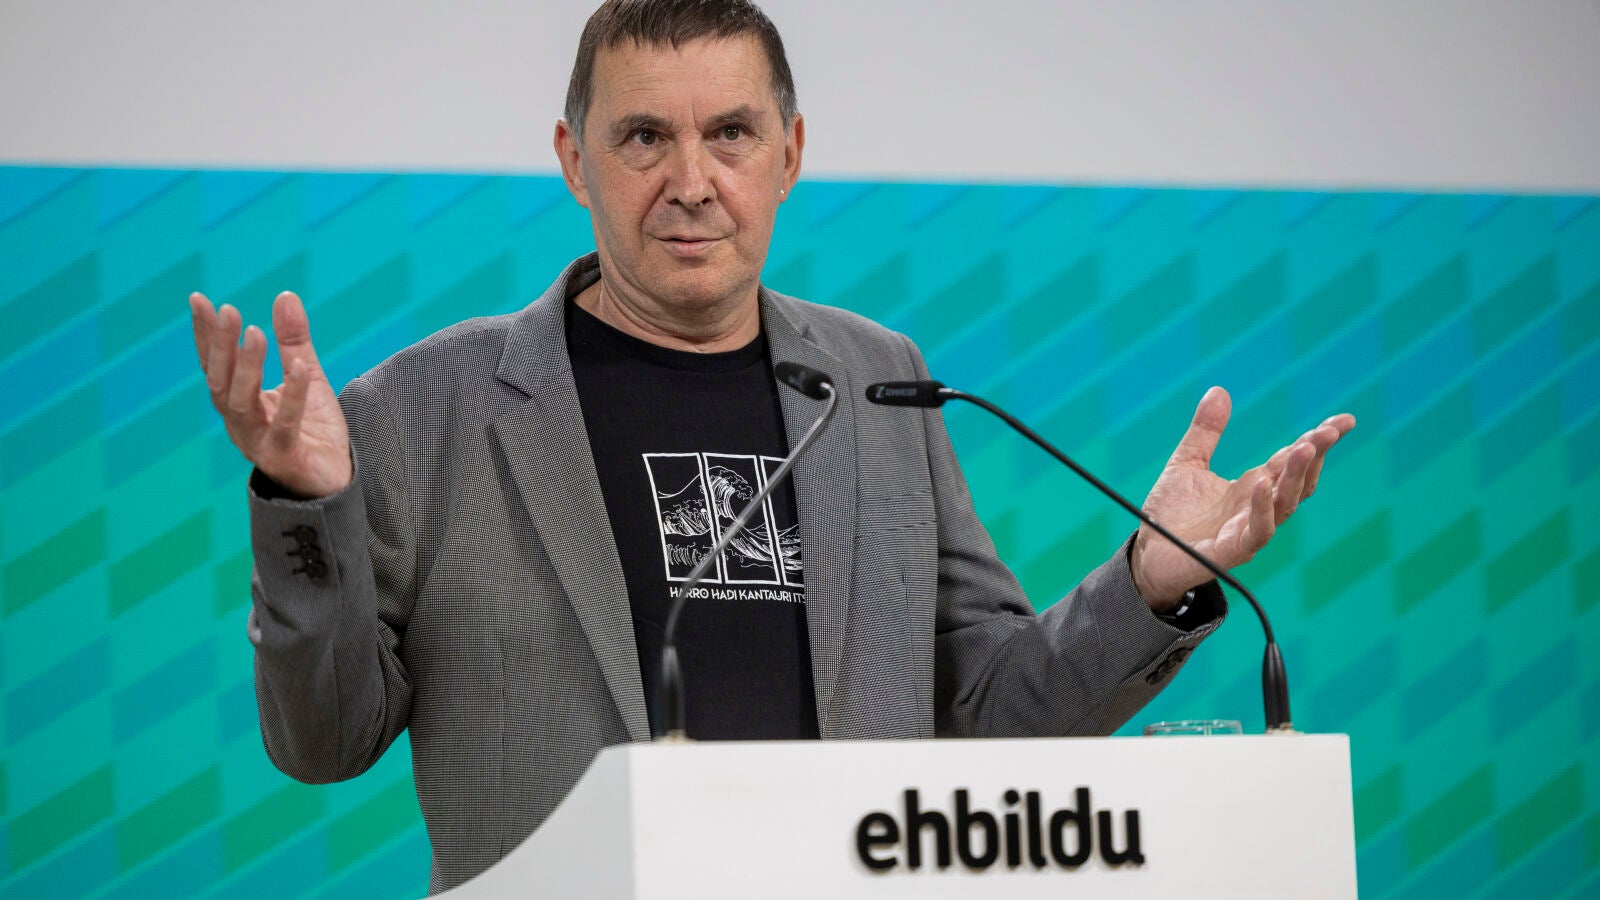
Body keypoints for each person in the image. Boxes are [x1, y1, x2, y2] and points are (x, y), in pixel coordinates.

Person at [187, 0, 1354, 892]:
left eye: (730, 134)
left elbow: (989, 719)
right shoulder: (428, 406)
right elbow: (325, 740)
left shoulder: (877, 382)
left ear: (789, 152)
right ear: (573, 158)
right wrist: (302, 506)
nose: (690, 182)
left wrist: (1147, 583)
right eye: (644, 137)